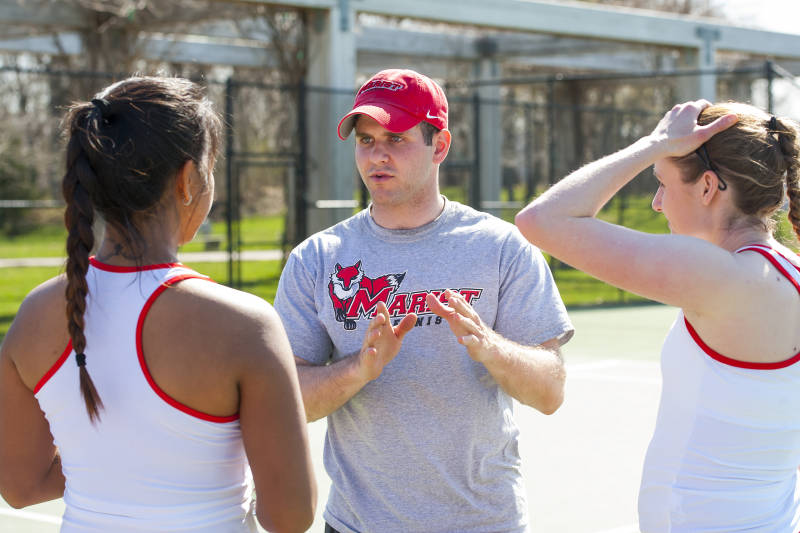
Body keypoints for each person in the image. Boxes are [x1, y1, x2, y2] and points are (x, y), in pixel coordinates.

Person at [0, 76, 316, 532]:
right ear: (189, 180)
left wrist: (120, 463)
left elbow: (21, 486)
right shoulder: (245, 325)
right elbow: (290, 517)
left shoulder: (36, 311)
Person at [273, 68, 573, 533]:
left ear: (441, 146)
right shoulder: (317, 258)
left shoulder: (501, 248)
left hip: (484, 523)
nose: (378, 155)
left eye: (396, 139)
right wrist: (360, 368)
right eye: (367, 140)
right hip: (357, 525)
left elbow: (550, 391)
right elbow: (291, 402)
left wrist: (490, 347)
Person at [515, 100, 800, 531]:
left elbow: (542, 220)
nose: (656, 202)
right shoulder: (781, 272)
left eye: (663, 182)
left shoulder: (721, 277)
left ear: (707, 187)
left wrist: (654, 144)